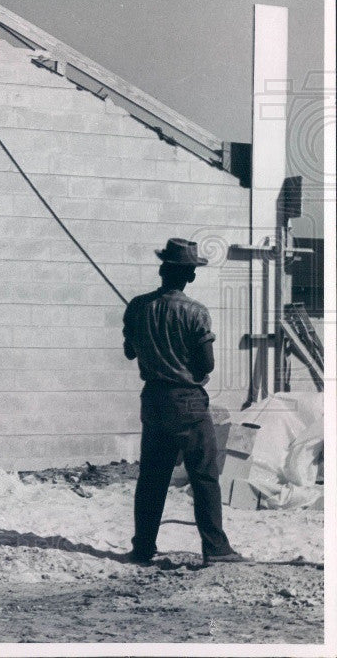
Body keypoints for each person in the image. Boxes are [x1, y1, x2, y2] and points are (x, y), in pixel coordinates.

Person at [122, 238, 245, 566]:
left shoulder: (137, 307)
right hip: (188, 402)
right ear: (190, 276)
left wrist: (141, 333)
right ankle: (216, 548)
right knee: (204, 476)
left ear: (163, 269)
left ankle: (143, 547)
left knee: (152, 478)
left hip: (154, 402)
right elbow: (206, 365)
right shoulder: (195, 312)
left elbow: (130, 351)